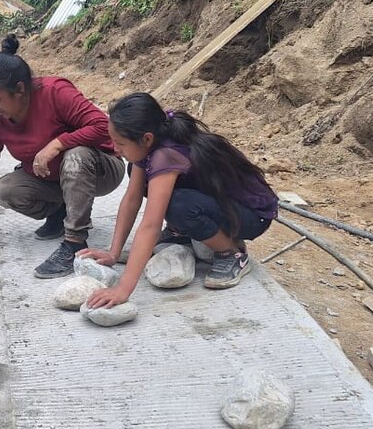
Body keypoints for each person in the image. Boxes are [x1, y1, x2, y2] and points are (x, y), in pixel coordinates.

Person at [81, 92, 279, 309]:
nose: (115, 149)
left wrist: (122, 289)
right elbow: (131, 199)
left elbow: (151, 226)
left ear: (146, 138)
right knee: (144, 175)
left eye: (120, 143)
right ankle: (182, 233)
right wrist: (113, 253)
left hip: (252, 215)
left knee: (179, 206)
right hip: (219, 202)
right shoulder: (149, 145)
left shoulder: (166, 155)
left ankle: (232, 254)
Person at [0, 35, 124, 279]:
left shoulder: (55, 92)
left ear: (20, 90)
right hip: (54, 179)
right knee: (6, 190)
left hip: (100, 168)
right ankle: (59, 211)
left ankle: (75, 242)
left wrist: (58, 143)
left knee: (75, 156)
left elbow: (104, 126)